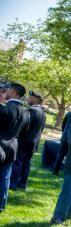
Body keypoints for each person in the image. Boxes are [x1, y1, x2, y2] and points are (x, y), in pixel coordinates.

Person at [0, 82, 30, 212]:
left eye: (8, 90)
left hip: (1, 144)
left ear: (12, 92)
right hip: (13, 146)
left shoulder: (4, 108)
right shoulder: (26, 113)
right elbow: (24, 133)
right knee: (5, 177)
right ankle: (1, 204)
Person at [10, 91, 46, 190]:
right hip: (34, 142)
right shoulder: (42, 112)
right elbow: (42, 128)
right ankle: (22, 184)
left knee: (18, 162)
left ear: (36, 99)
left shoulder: (32, 110)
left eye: (30, 98)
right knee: (26, 163)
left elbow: (24, 125)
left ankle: (13, 184)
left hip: (25, 141)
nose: (29, 99)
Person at [52, 106, 71, 175]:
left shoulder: (70, 113)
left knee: (60, 155)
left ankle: (55, 171)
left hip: (65, 137)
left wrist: (64, 133)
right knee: (70, 156)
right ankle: (66, 172)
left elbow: (63, 124)